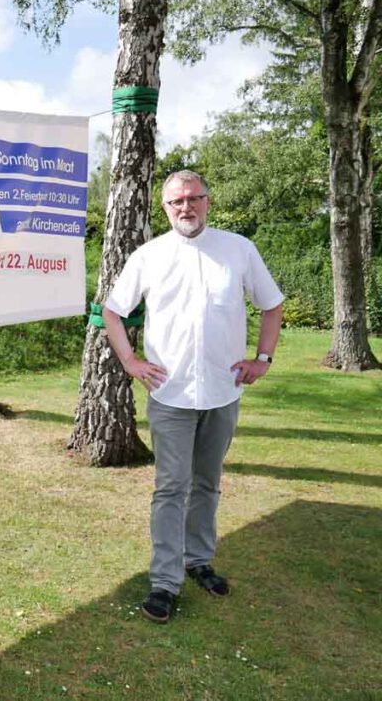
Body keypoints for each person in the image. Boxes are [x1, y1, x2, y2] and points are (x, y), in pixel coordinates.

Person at [102, 169, 283, 624]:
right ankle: (164, 582)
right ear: (165, 208)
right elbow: (112, 310)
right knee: (170, 488)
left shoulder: (238, 249)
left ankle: (198, 560)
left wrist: (262, 358)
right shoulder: (149, 255)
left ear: (207, 199)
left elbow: (271, 304)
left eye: (194, 199)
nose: (186, 208)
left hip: (223, 392)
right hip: (171, 395)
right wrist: (130, 362)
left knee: (207, 483)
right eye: (176, 202)